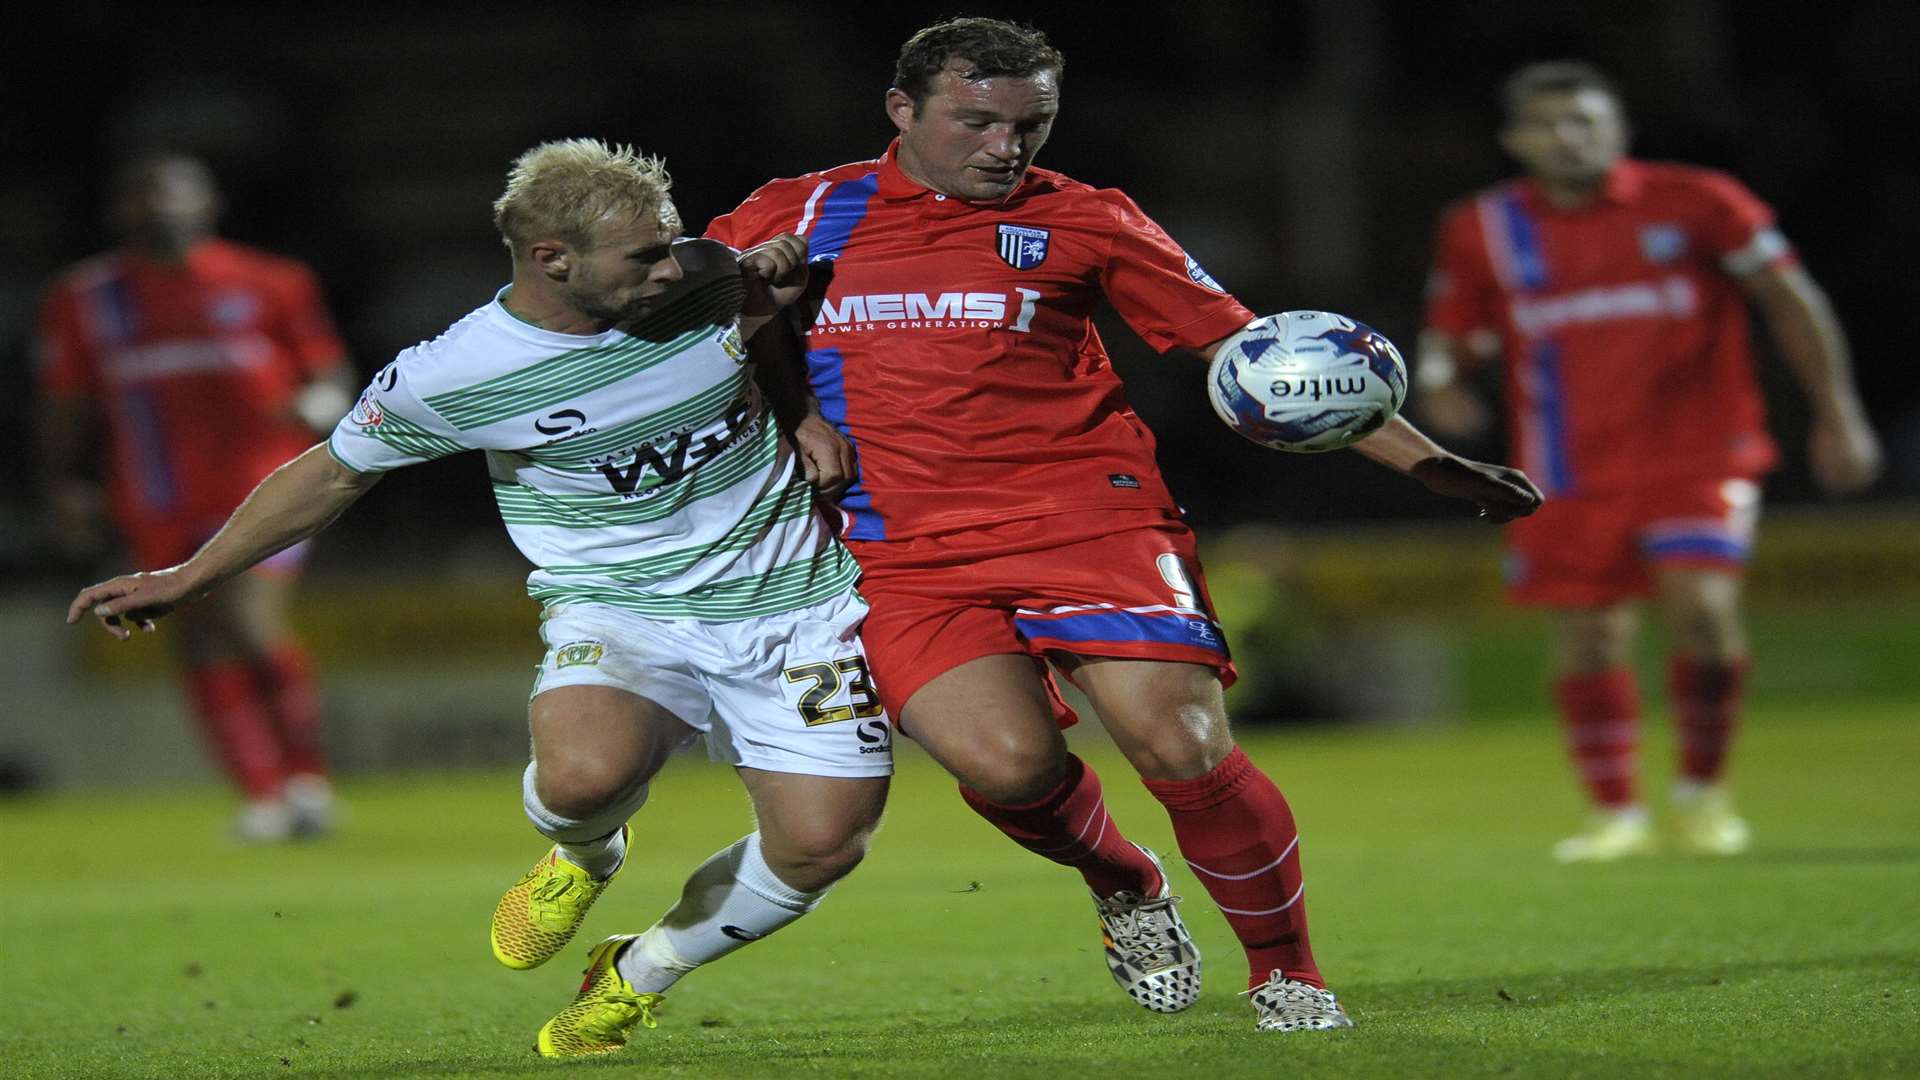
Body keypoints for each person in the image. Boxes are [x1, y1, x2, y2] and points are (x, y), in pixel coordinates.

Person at [707, 17, 1542, 1032]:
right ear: (902, 110)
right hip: (895, 546)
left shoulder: (1090, 218)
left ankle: (1289, 975)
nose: (1005, 149)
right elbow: (704, 319)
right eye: (976, 122)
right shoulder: (798, 210)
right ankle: (1123, 882)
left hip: (1087, 517)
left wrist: (1427, 462)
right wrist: (791, 412)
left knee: (1177, 739)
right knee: (1006, 768)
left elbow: (1258, 359)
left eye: (1030, 126)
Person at [67, 139, 893, 1058]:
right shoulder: (455, 372)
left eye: (671, 245)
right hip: (620, 605)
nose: (676, 265)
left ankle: (642, 971)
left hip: (794, 602)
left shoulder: (700, 277)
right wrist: (187, 577)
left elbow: (759, 315)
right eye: (645, 256)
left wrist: (801, 413)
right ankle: (584, 856)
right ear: (553, 261)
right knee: (584, 782)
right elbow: (332, 476)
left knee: (821, 847)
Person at [1417, 62, 1881, 863]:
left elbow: (1791, 299)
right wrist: (1443, 389)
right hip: (1563, 466)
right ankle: (1616, 815)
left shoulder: (1701, 201)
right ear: (1515, 141)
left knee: (1701, 609)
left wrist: (1839, 416)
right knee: (1592, 636)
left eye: (1588, 121)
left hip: (1700, 451)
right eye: (1551, 124)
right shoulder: (1483, 228)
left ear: (1620, 130)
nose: (1572, 137)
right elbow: (1447, 337)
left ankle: (1703, 794)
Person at [36, 153, 357, 841]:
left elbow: (328, 371)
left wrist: (320, 402)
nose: (159, 208)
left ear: (207, 205)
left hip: (262, 486)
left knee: (247, 617)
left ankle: (306, 778)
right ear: (118, 210)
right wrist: (65, 483)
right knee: (197, 638)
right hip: (154, 495)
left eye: (174, 195)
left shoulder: (271, 282)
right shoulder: (87, 298)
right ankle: (265, 795)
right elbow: (66, 400)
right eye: (143, 195)